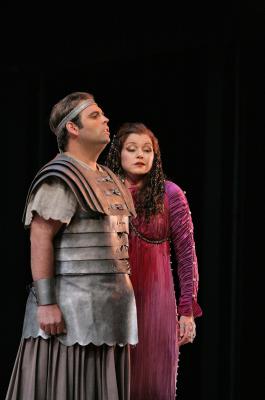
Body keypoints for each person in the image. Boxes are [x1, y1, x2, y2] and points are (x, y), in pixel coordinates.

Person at [5, 92, 138, 400]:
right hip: (69, 315)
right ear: (73, 128)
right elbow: (40, 237)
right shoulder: (61, 176)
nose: (106, 120)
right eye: (95, 115)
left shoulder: (108, 178)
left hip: (110, 313)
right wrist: (47, 303)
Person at [105, 122, 202, 400]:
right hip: (113, 298)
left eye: (147, 150)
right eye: (132, 149)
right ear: (118, 154)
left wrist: (187, 311)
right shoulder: (104, 194)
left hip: (157, 298)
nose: (140, 155)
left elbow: (187, 255)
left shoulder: (171, 194)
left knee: (154, 380)